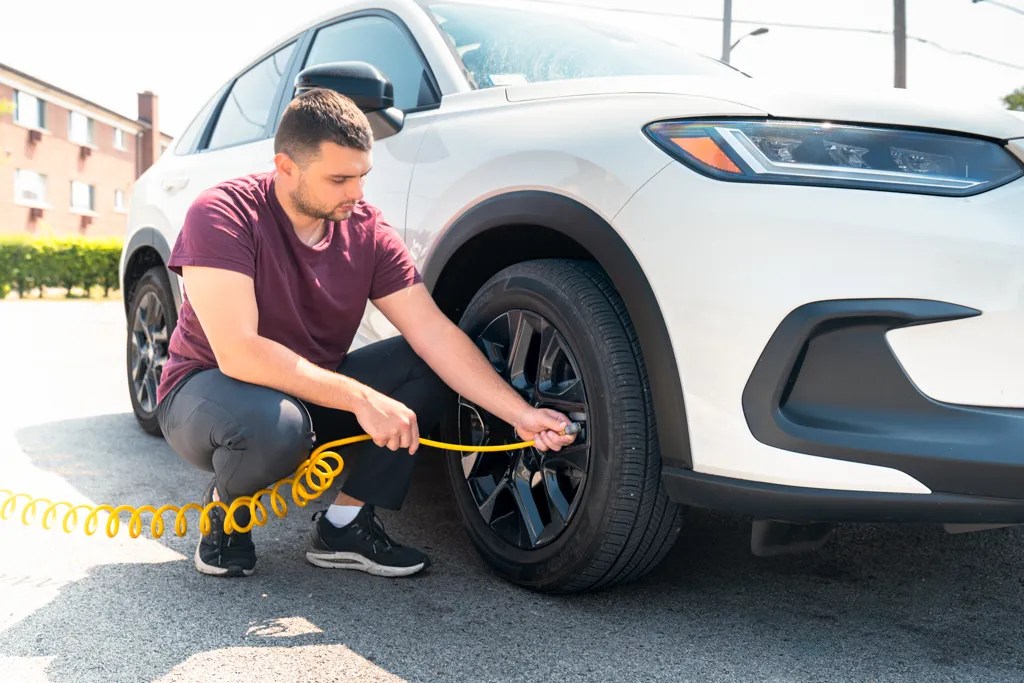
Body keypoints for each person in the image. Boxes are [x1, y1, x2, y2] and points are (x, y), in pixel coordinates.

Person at [155, 88, 576, 579]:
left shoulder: (366, 230)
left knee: (428, 367)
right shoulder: (223, 214)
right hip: (209, 394)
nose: (355, 193)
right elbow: (239, 352)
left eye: (362, 176)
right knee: (277, 429)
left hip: (312, 390)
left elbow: (433, 334)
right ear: (286, 167)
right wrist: (361, 399)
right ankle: (226, 513)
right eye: (339, 178)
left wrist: (520, 413)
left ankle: (345, 524)